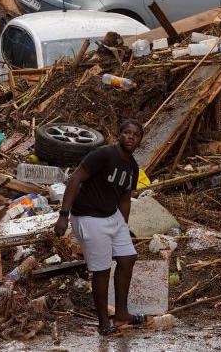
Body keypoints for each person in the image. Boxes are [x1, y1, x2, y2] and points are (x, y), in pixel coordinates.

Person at [53, 119, 147, 335]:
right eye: (126, 132)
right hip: (88, 216)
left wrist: (123, 225)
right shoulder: (104, 154)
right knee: (102, 270)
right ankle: (104, 322)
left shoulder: (132, 166)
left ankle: (122, 314)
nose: (131, 137)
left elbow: (125, 197)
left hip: (111, 216)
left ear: (140, 140)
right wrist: (63, 215)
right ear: (119, 135)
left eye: (135, 134)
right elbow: (75, 178)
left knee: (127, 258)